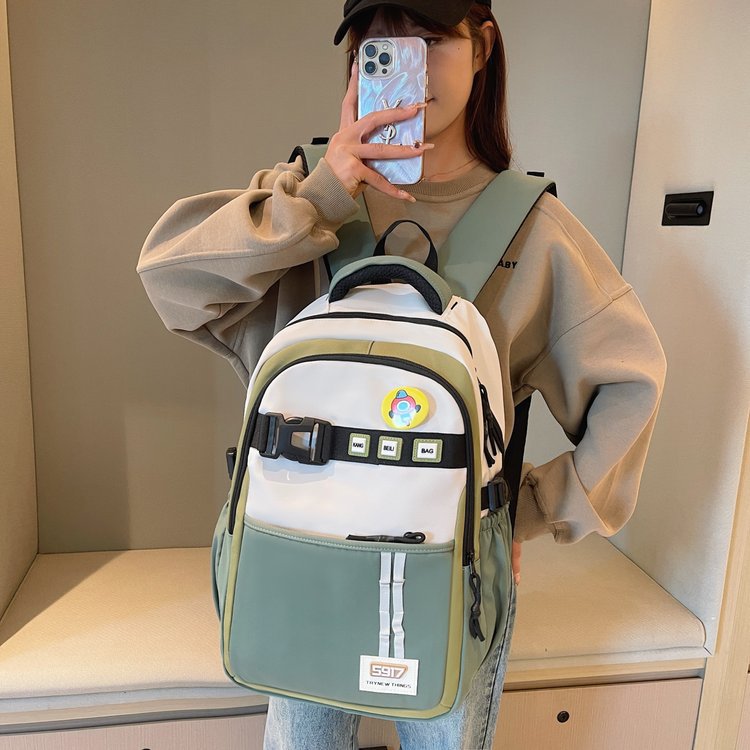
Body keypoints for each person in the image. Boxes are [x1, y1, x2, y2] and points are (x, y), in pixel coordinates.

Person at [136, 1, 667, 747]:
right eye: (377, 42)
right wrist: (322, 194)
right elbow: (167, 280)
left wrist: (520, 510)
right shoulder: (303, 199)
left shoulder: (532, 229)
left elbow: (633, 381)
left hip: (448, 567)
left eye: (428, 38)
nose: (404, 60)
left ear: (482, 47)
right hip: (301, 547)